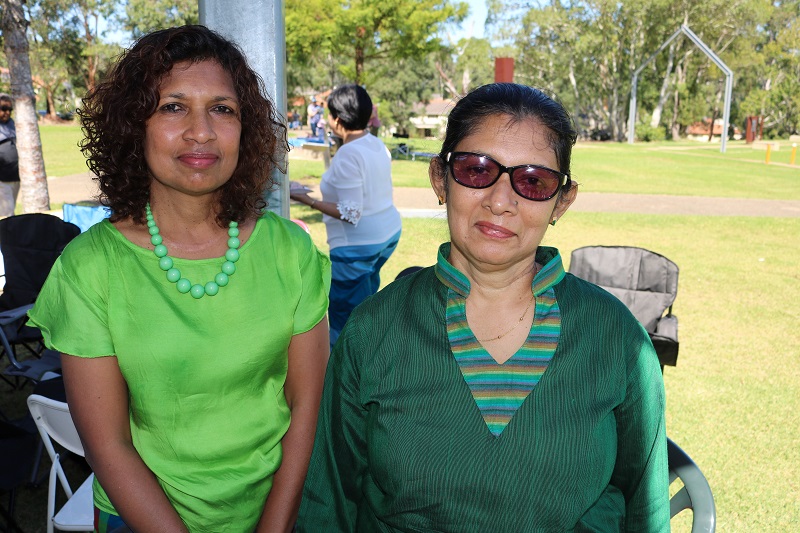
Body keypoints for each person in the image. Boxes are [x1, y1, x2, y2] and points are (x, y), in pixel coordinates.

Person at [297, 83, 669, 532]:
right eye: (476, 170)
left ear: (561, 201)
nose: (500, 201)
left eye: (533, 181)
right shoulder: (373, 330)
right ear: (440, 179)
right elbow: (328, 502)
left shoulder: (617, 337)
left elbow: (646, 505)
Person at [27, 25, 330, 532]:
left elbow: (308, 409)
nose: (201, 131)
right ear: (135, 125)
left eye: (222, 109)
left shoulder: (291, 252)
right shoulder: (89, 267)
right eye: (173, 107)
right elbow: (109, 446)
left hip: (280, 510)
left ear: (245, 129)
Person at [290, 84, 401, 347]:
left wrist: (307, 200)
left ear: (338, 120)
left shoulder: (349, 154)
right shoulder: (375, 144)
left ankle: (348, 362)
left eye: (329, 115)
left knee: (344, 320)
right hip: (387, 234)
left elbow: (351, 212)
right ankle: (369, 348)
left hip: (357, 246)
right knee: (365, 305)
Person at [0, 94, 20, 217]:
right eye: (3, 109)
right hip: (2, 179)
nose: (7, 112)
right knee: (7, 213)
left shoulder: (12, 124)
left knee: (10, 209)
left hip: (15, 176)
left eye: (9, 110)